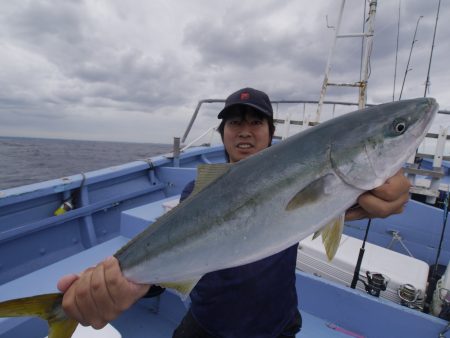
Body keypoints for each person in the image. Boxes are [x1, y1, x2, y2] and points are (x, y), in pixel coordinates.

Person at [58, 88, 411, 337]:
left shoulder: (327, 184)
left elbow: (350, 204)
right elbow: (175, 255)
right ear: (223, 134)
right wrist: (129, 283)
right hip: (207, 324)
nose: (245, 131)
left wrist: (380, 197)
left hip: (276, 326)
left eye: (256, 123)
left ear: (272, 134)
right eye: (234, 123)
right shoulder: (196, 192)